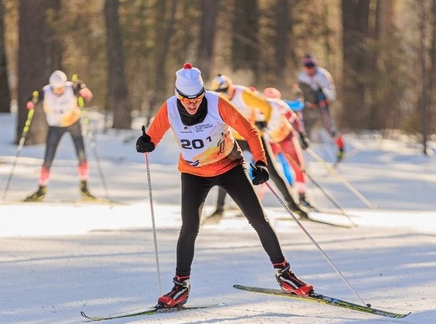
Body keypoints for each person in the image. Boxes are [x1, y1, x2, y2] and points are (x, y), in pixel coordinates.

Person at [135, 63, 314, 309]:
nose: (192, 103)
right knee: (189, 228)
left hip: (230, 168)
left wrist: (260, 163)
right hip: (193, 174)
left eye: (196, 98)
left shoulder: (217, 103)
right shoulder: (169, 108)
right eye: (186, 99)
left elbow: (250, 132)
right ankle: (180, 287)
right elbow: (152, 137)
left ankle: (284, 275)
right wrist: (145, 143)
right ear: (178, 95)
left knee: (259, 220)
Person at [209, 74, 305, 217]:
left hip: (253, 136)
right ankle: (219, 209)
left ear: (230, 86)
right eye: (220, 91)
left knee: (271, 171)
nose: (224, 94)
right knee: (225, 171)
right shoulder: (218, 99)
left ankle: (294, 206)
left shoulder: (243, 93)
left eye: (226, 89)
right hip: (235, 139)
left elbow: (266, 107)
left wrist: (264, 122)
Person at [24, 70, 96, 201]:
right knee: (48, 157)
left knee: (81, 154)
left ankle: (84, 187)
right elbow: (31, 103)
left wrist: (83, 88)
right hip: (55, 127)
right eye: (56, 89)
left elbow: (88, 96)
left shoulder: (71, 88)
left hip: (74, 124)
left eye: (61, 88)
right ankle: (41, 189)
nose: (59, 91)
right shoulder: (45, 91)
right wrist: (32, 101)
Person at [262, 86, 317, 212]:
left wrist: (302, 135)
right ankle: (256, 199)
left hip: (286, 137)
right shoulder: (258, 106)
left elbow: (294, 116)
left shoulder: (281, 105)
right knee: (262, 168)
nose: (272, 102)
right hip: (271, 140)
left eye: (274, 99)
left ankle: (302, 196)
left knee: (297, 166)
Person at [297, 54, 345, 162]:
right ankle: (303, 156)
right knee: (305, 131)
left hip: (321, 106)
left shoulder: (322, 75)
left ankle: (341, 150)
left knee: (330, 129)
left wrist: (323, 92)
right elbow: (299, 92)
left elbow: (332, 94)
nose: (309, 68)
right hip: (308, 107)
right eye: (306, 66)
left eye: (311, 65)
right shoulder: (302, 76)